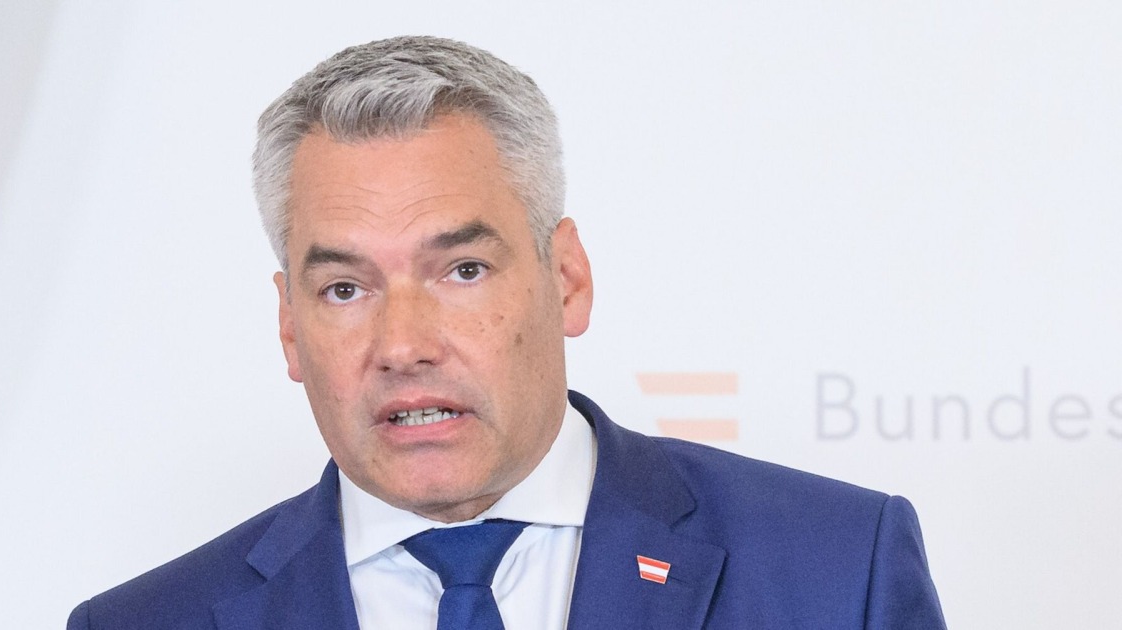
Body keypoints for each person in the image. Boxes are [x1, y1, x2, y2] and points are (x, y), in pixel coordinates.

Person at [68, 36, 946, 629]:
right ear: (289, 329)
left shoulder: (838, 570)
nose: (403, 344)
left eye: (462, 271)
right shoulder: (143, 624)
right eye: (344, 288)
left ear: (566, 279)